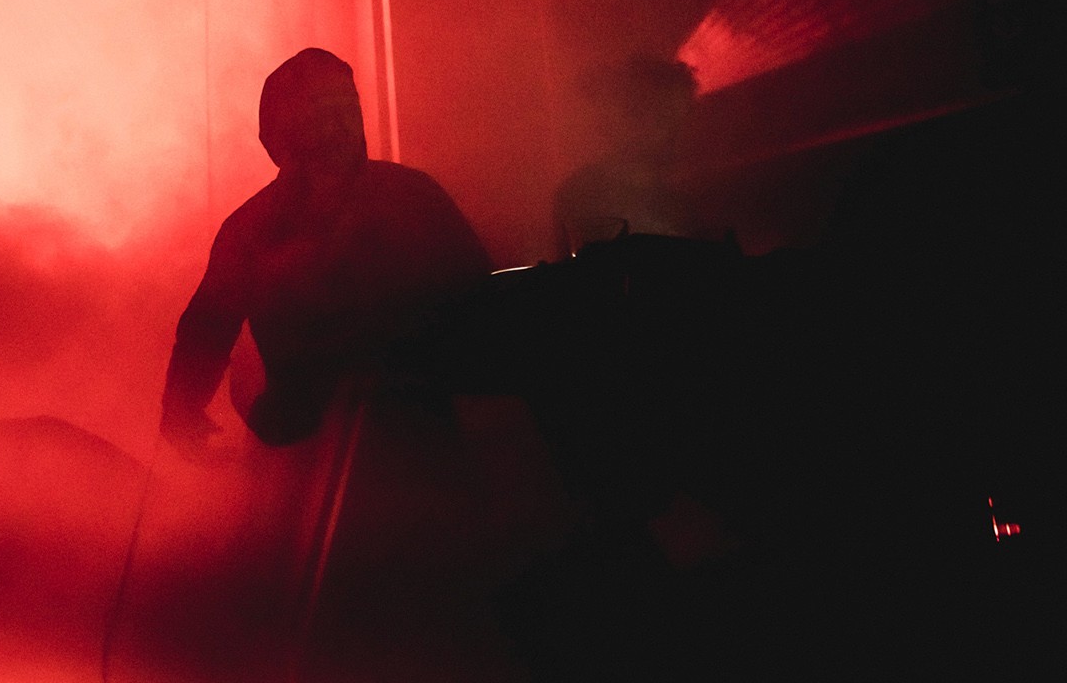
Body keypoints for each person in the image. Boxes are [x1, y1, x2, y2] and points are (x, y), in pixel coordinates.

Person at [160, 48, 490, 454]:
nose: (340, 126)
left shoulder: (415, 199)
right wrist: (181, 409)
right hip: (300, 451)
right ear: (280, 135)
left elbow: (482, 301)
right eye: (318, 113)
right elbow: (206, 331)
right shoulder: (250, 230)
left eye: (347, 108)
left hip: (417, 439)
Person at [551, 54, 704, 257]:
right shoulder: (581, 196)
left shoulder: (684, 205)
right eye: (661, 116)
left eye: (679, 118)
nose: (672, 131)